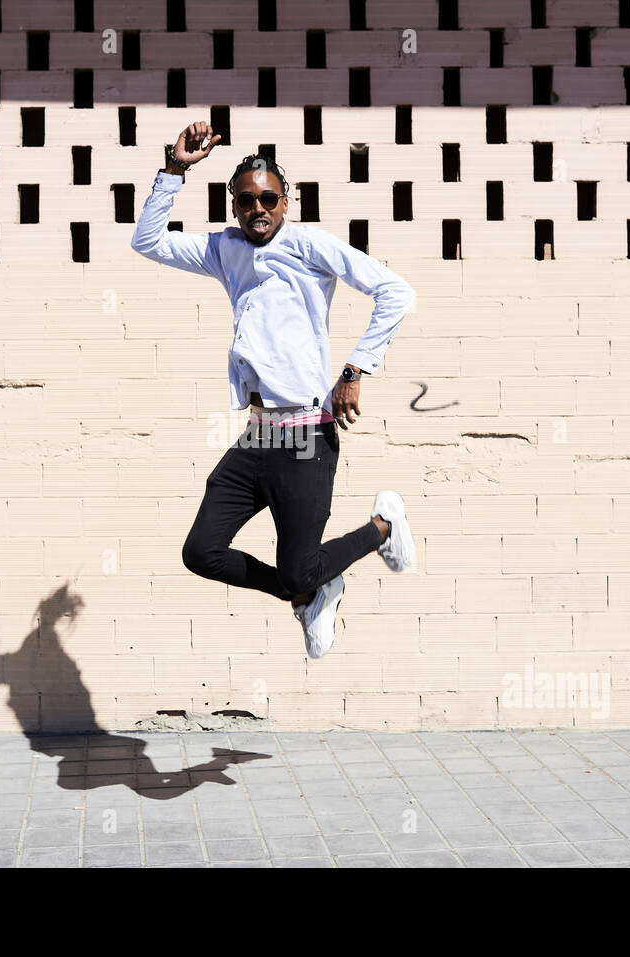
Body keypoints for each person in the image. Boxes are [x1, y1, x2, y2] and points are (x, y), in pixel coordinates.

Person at [130, 121, 416, 659]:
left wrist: (356, 370)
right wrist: (174, 169)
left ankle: (383, 527)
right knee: (201, 552)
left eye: (268, 199)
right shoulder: (224, 249)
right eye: (246, 201)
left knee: (299, 567)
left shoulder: (309, 244)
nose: (257, 209)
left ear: (286, 202)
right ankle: (306, 593)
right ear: (233, 205)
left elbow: (394, 291)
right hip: (258, 438)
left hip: (307, 435)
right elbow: (147, 242)